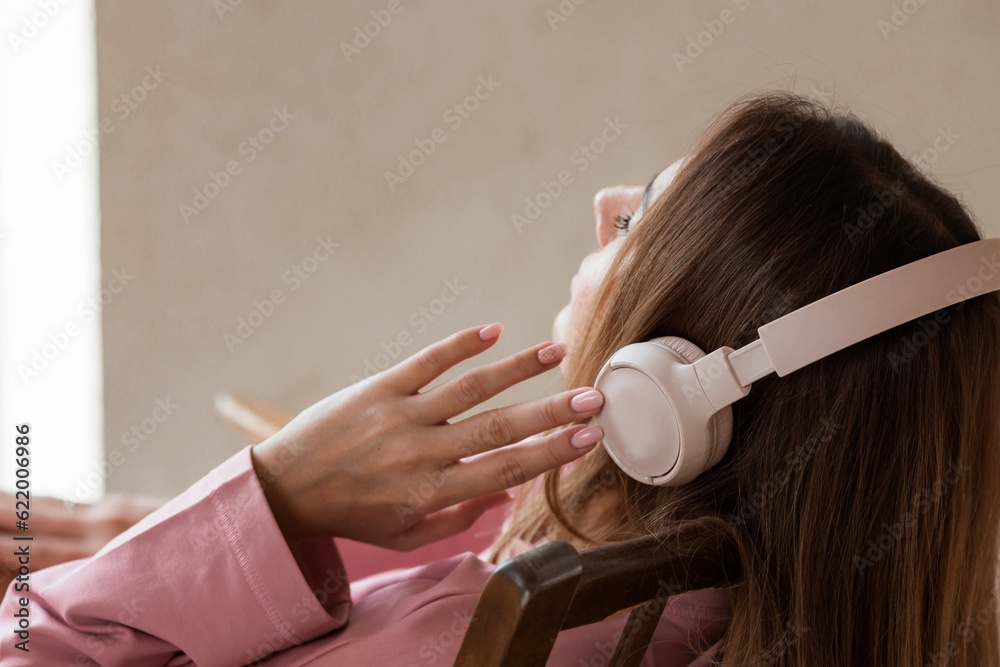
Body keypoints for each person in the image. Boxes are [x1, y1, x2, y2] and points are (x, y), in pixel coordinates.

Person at [2, 90, 999, 666]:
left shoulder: (455, 634)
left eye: (646, 209)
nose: (606, 200)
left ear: (682, 388)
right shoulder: (709, 598)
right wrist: (214, 536)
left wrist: (273, 489)